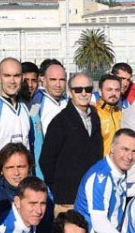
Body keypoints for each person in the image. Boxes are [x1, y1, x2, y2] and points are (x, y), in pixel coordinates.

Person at [40, 73, 103, 215]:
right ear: (70, 93)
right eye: (78, 89)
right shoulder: (60, 122)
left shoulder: (94, 117)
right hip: (67, 198)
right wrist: (59, 191)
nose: (84, 93)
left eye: (87, 89)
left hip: (91, 194)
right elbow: (46, 160)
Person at [29, 61, 68, 176]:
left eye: (61, 80)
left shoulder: (67, 102)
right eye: (53, 80)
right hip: (46, 169)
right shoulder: (37, 103)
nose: (58, 84)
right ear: (43, 80)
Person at [94, 73, 123, 156]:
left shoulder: (121, 114)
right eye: (109, 89)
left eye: (117, 90)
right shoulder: (94, 114)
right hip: (100, 165)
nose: (113, 93)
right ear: (100, 91)